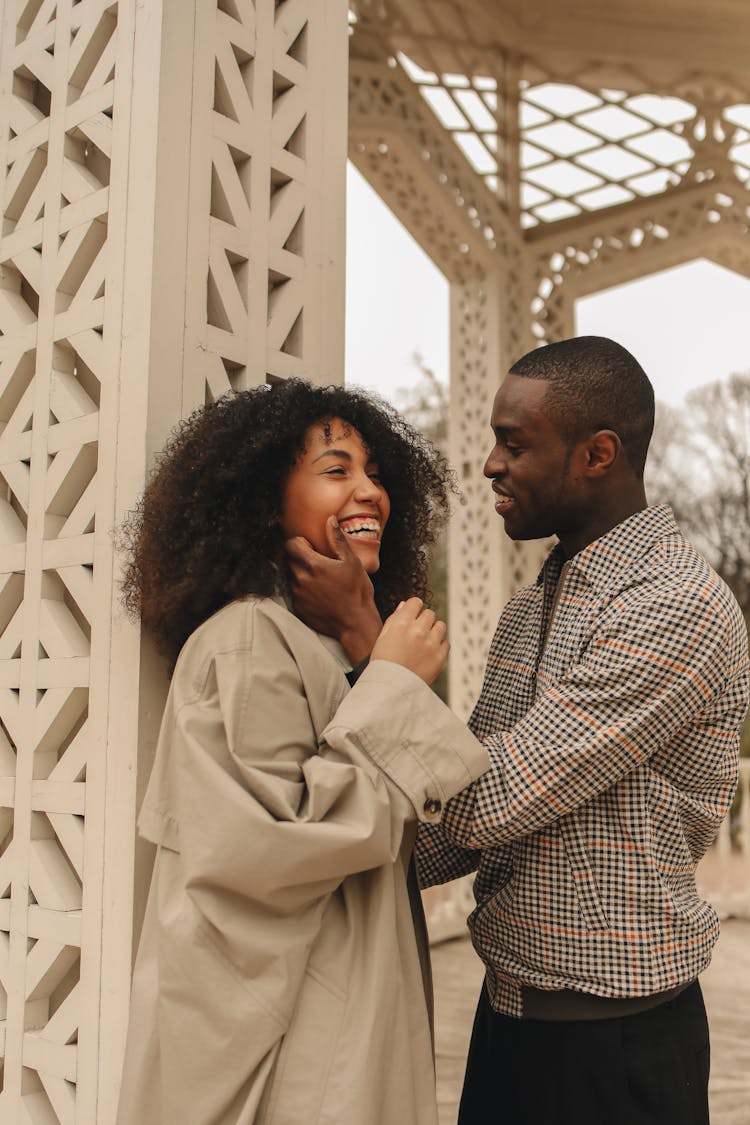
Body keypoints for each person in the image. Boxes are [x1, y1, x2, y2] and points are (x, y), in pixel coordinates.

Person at [286, 337, 750, 1125]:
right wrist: (295, 836)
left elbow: (485, 801)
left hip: (617, 1051)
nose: (490, 463)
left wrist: (371, 639)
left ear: (598, 453)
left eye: (515, 442)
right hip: (506, 1029)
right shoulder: (530, 610)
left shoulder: (675, 606)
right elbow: (445, 837)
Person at [114, 378, 489, 1125]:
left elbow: (438, 812)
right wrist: (390, 676)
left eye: (376, 473)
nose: (369, 491)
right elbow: (274, 843)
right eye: (336, 469)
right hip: (299, 1043)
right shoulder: (249, 636)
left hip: (341, 1004)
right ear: (262, 500)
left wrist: (366, 642)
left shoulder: (312, 641)